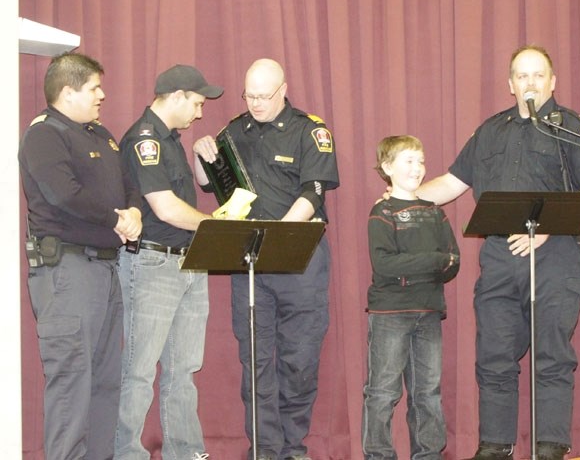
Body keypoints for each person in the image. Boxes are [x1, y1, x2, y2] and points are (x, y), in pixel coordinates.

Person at [413, 45, 580, 460]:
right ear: (510, 85)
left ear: (552, 81)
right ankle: (495, 445)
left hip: (555, 256)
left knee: (552, 357)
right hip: (501, 259)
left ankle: (549, 447)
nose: (530, 83)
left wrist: (547, 227)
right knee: (494, 355)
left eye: (538, 75)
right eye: (521, 76)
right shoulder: (491, 131)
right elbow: (453, 183)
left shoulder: (570, 126)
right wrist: (407, 195)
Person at [194, 58, 340, 460]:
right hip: (251, 261)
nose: (255, 103)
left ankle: (292, 448)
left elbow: (313, 194)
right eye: (250, 95)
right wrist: (199, 152)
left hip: (300, 257)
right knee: (255, 359)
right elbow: (210, 184)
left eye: (263, 96)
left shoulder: (310, 130)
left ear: (282, 89)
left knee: (299, 359)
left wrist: (281, 238)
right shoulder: (235, 130)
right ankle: (263, 449)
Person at [19, 52, 143, 460]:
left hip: (106, 269)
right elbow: (63, 194)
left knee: (106, 381)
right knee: (72, 381)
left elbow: (128, 184)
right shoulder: (44, 134)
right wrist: (116, 219)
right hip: (67, 272)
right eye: (94, 88)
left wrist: (134, 211)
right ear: (68, 92)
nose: (102, 95)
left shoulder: (100, 134)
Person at [114, 64, 223, 460]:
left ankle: (186, 452)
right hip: (153, 265)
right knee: (139, 370)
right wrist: (219, 229)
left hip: (189, 262)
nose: (199, 112)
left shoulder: (172, 141)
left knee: (184, 370)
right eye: (196, 103)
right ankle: (127, 453)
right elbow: (165, 209)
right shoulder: (145, 141)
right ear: (176, 96)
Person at [362, 135, 460, 460]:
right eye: (409, 161)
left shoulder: (435, 213)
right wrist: (432, 261)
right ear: (387, 168)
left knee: (427, 392)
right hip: (390, 313)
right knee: (382, 392)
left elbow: (452, 260)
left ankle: (428, 454)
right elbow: (385, 264)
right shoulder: (382, 213)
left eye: (420, 161)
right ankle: (378, 454)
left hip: (429, 310)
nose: (417, 168)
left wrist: (430, 264)